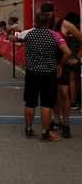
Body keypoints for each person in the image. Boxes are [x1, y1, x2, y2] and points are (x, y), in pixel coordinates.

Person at [15, 12, 71, 142]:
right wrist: (60, 64)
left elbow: (15, 38)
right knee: (46, 103)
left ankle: (28, 129)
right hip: (49, 73)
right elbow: (67, 52)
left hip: (32, 73)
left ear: (35, 22)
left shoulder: (29, 35)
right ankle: (46, 133)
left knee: (30, 102)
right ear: (48, 23)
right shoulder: (55, 35)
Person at [51, 12, 82, 138]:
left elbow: (81, 39)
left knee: (64, 94)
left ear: (54, 12)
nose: (47, 16)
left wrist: (77, 58)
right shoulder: (43, 24)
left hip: (64, 64)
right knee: (53, 94)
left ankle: (66, 124)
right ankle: (56, 120)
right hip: (51, 64)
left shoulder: (65, 24)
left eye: (49, 13)